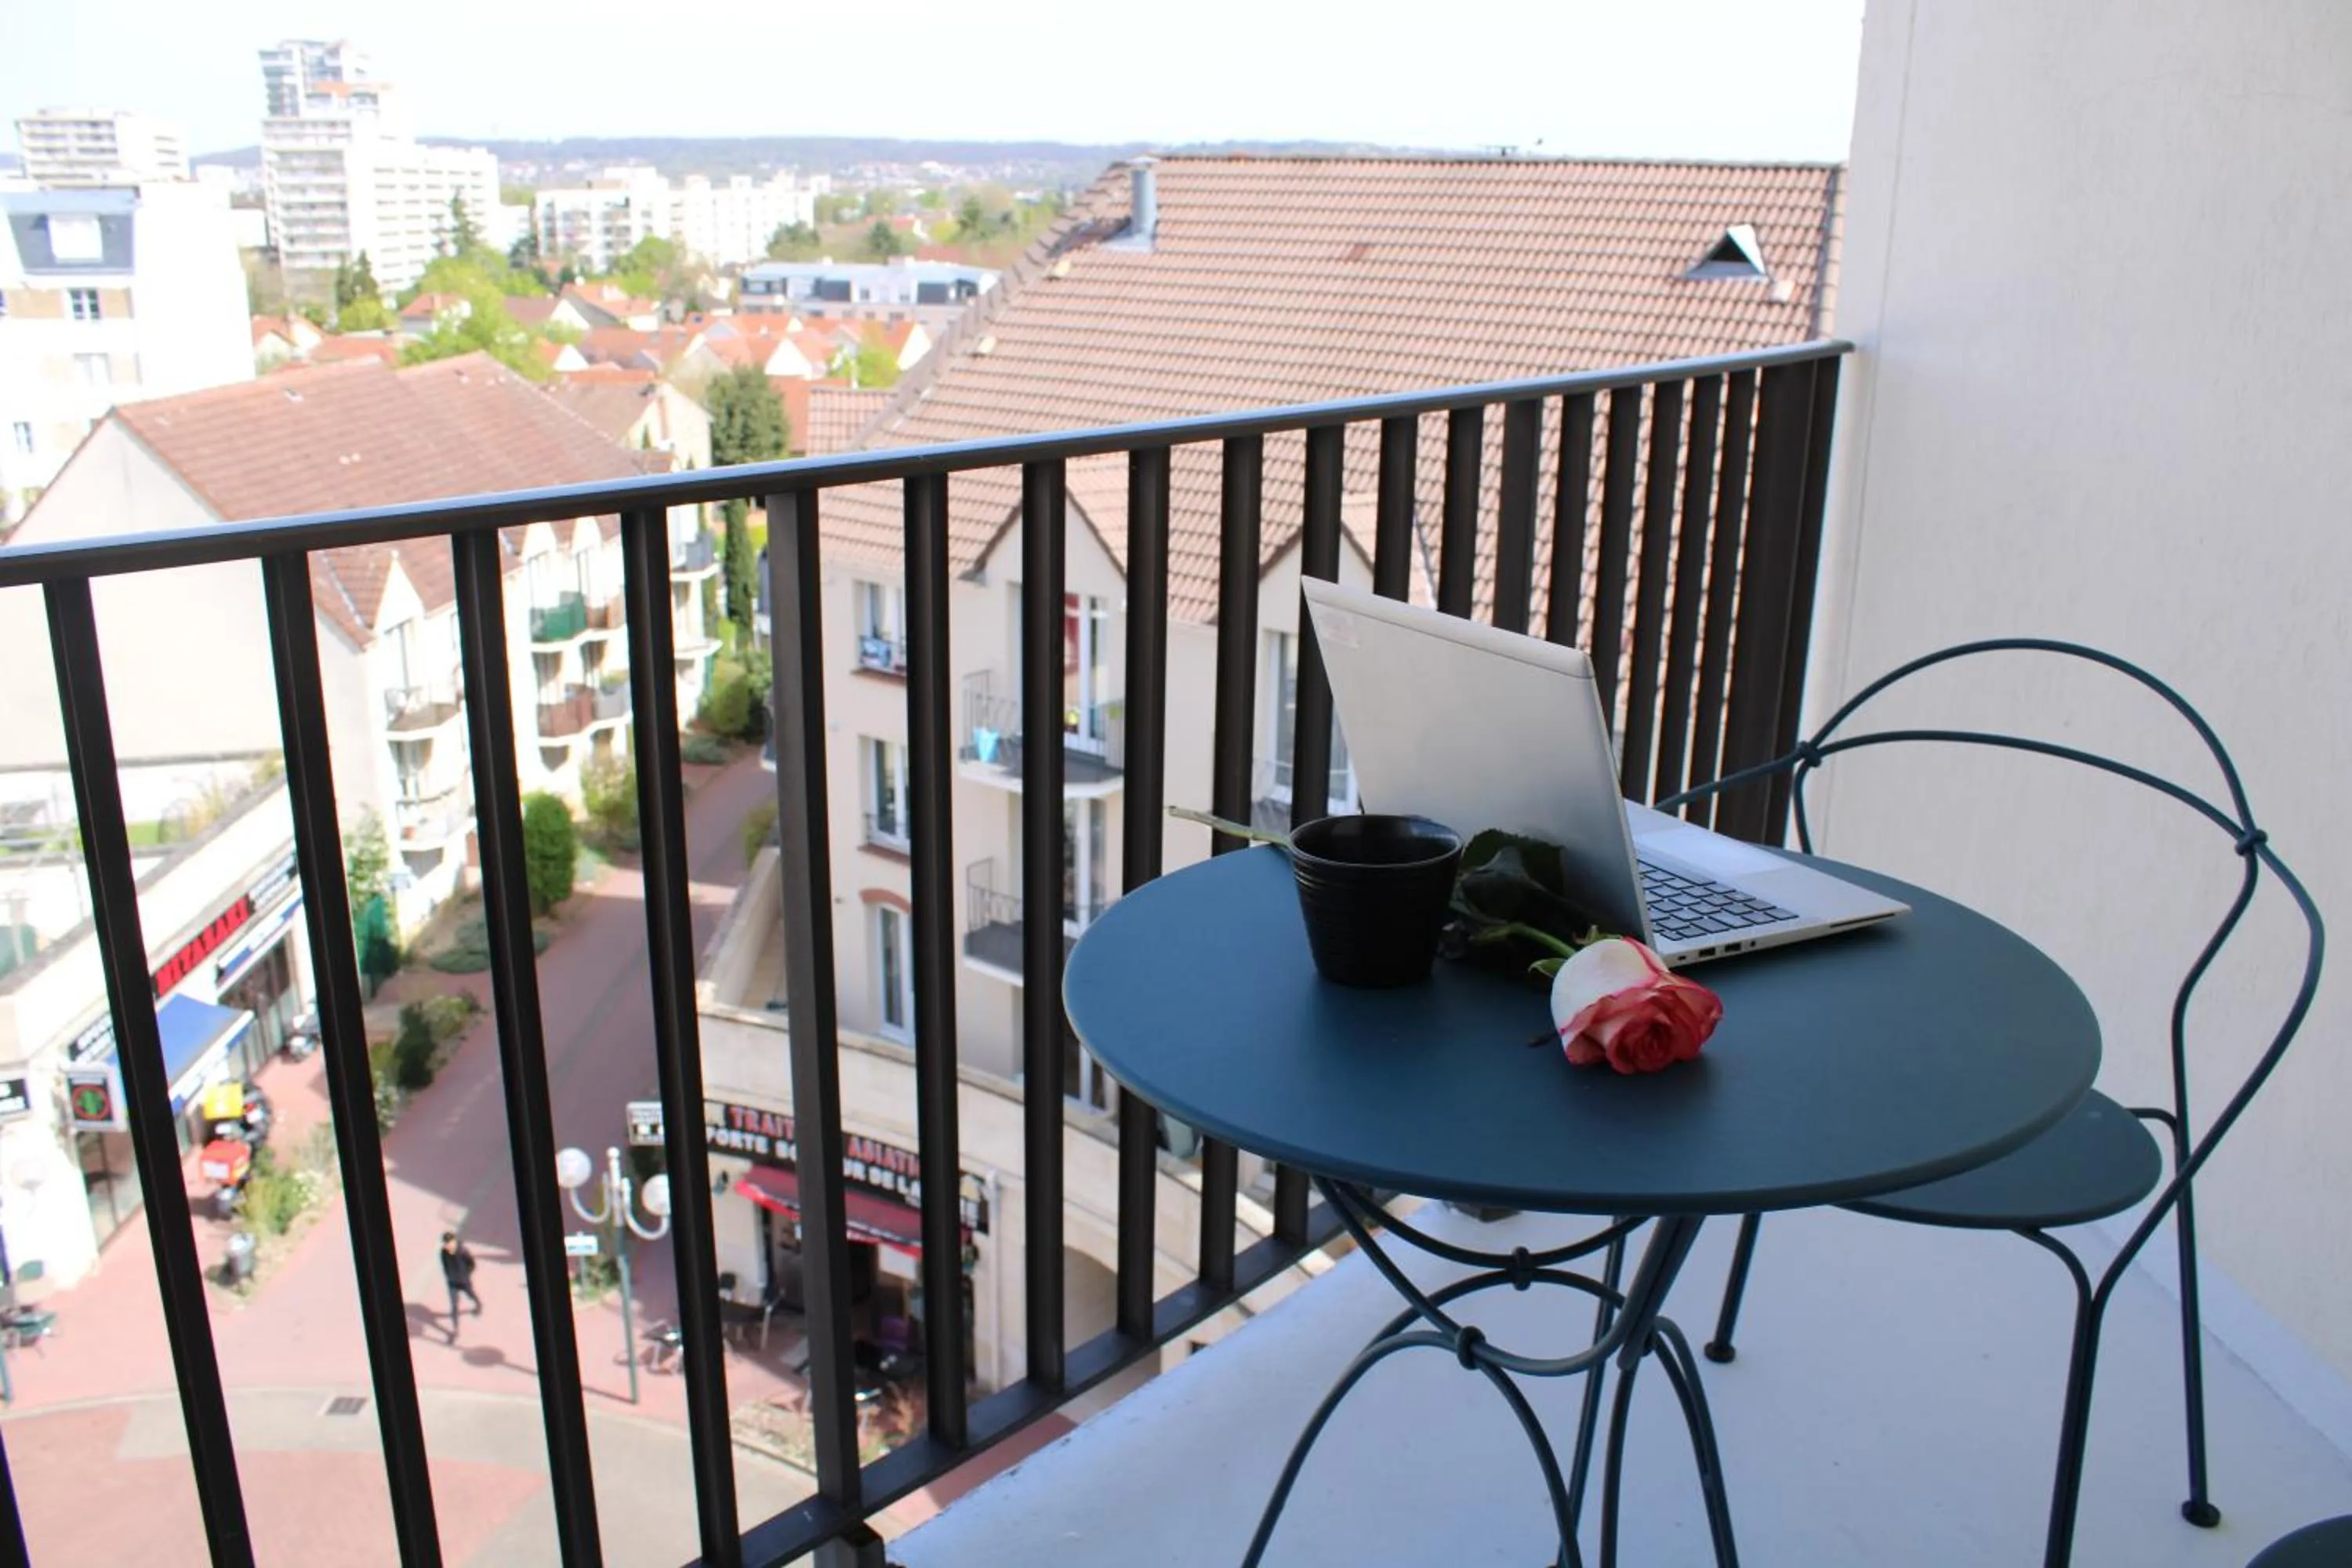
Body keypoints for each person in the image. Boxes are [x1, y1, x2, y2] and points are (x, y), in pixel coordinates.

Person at [439, 1231, 481, 1341]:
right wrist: (449, 1276)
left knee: (471, 1295)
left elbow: (472, 1264)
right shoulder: (443, 1253)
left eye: (450, 1242)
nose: (448, 1245)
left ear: (454, 1241)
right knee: (454, 1306)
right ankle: (455, 1330)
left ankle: (478, 1304)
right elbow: (444, 1265)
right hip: (452, 1283)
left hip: (464, 1282)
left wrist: (466, 1274)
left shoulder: (463, 1251)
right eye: (446, 1243)